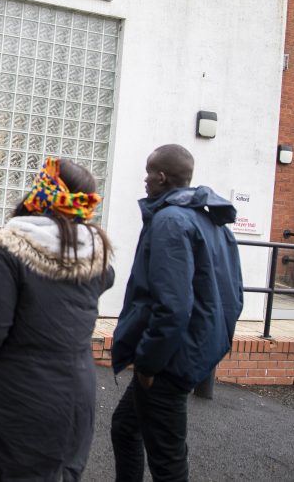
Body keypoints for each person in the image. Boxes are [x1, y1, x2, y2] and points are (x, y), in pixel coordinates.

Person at [0, 157, 114, 481]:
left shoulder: (9, 251)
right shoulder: (96, 257)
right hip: (74, 402)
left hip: (14, 403)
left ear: (40, 193)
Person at [110, 144, 244, 482]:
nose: (144, 179)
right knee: (126, 428)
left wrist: (149, 362)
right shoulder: (211, 222)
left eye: (148, 172)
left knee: (167, 460)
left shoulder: (170, 221)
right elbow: (234, 295)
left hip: (169, 359)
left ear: (161, 176)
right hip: (187, 350)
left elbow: (172, 305)